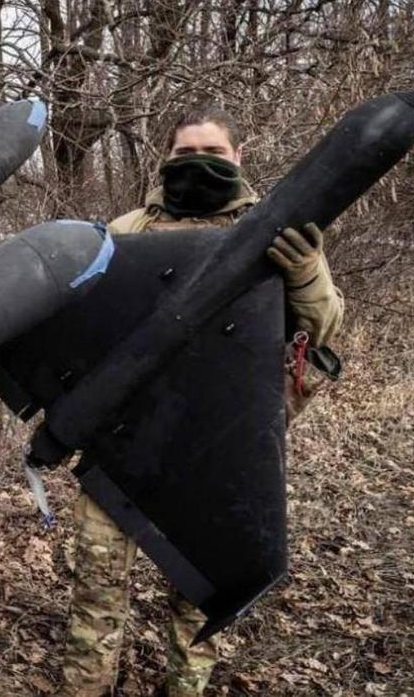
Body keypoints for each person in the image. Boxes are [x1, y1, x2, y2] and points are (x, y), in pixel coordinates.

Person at [58, 103, 344, 697]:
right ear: (166, 157)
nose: (199, 163)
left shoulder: (278, 230)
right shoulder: (128, 229)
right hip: (128, 438)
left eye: (213, 152)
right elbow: (86, 318)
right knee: (97, 588)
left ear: (238, 156)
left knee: (198, 597)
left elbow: (320, 331)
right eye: (186, 152)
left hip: (219, 443)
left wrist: (305, 272)